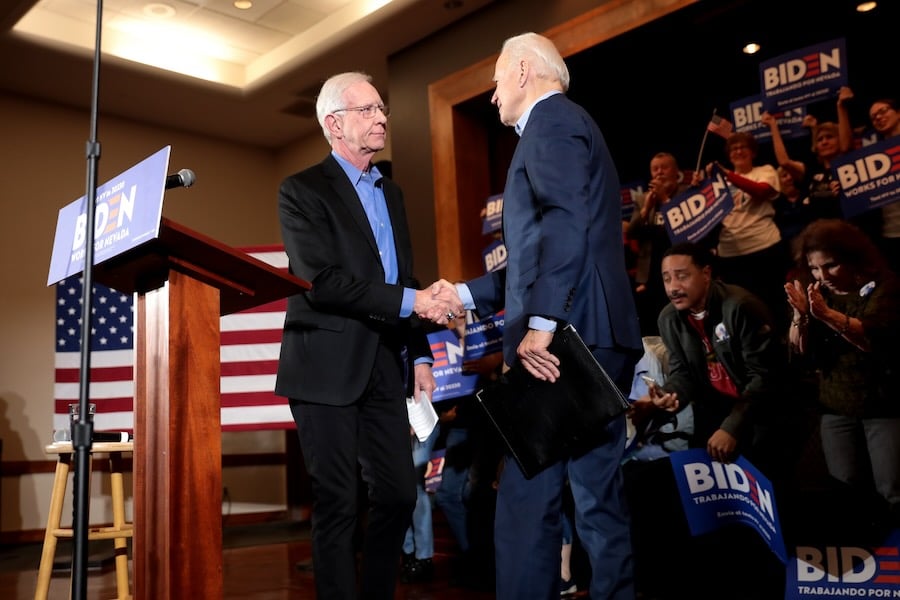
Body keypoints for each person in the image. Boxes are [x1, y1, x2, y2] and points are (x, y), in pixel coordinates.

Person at [433, 32, 643, 599]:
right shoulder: (568, 125)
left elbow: (563, 227)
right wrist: (462, 291)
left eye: (497, 77)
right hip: (599, 335)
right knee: (597, 494)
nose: (493, 92)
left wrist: (542, 325)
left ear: (523, 69)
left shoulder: (550, 123)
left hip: (567, 339)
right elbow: (535, 255)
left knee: (527, 497)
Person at [274, 71, 463, 600]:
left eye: (383, 109)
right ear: (335, 124)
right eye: (369, 110)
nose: (382, 118)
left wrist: (420, 353)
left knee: (401, 495)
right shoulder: (301, 191)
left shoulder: (392, 193)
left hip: (384, 364)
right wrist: (417, 303)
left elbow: (404, 281)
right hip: (323, 368)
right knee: (337, 502)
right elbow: (324, 282)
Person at [785, 218, 900, 525]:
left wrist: (824, 314)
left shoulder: (885, 286)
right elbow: (798, 352)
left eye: (831, 265)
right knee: (844, 486)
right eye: (814, 268)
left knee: (892, 489)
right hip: (836, 406)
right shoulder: (815, 291)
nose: (822, 276)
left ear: (852, 257)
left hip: (883, 405)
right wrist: (801, 317)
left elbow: (872, 338)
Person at [695, 131, 787, 332]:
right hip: (731, 254)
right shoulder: (717, 182)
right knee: (744, 309)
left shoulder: (765, 171)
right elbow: (702, 214)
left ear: (753, 152)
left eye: (743, 147)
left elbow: (762, 191)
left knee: (775, 304)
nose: (738, 151)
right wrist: (698, 188)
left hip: (764, 246)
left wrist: (727, 174)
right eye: (733, 149)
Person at [626, 152, 690, 336]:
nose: (659, 172)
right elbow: (632, 232)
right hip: (652, 271)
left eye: (665, 167)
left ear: (676, 171)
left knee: (681, 318)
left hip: (680, 265)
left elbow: (684, 228)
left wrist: (665, 200)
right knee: (657, 321)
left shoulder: (686, 192)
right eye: (655, 168)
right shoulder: (643, 198)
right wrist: (646, 208)